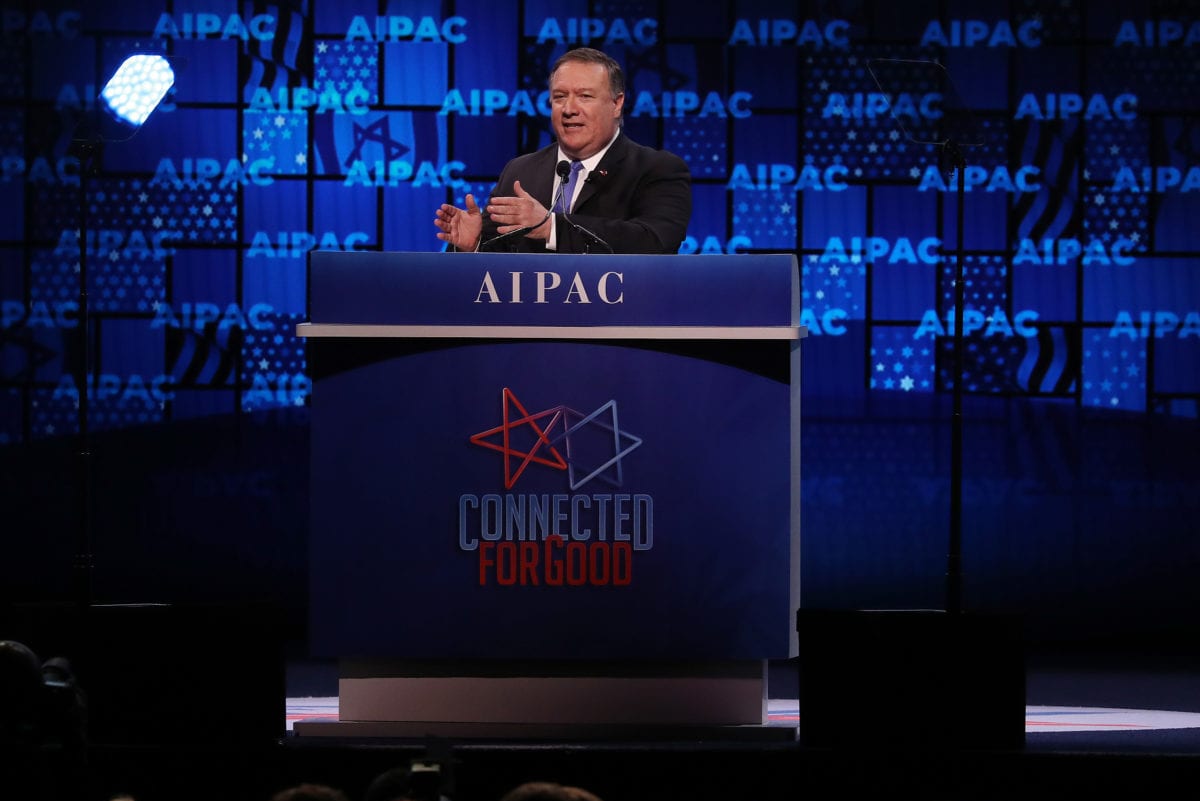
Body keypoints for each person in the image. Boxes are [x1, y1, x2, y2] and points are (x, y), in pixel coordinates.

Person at [435, 47, 692, 254]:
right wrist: (473, 246)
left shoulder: (656, 169)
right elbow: (494, 270)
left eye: (585, 96)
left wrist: (551, 228)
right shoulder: (520, 171)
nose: (569, 109)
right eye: (559, 97)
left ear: (617, 104)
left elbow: (656, 241)